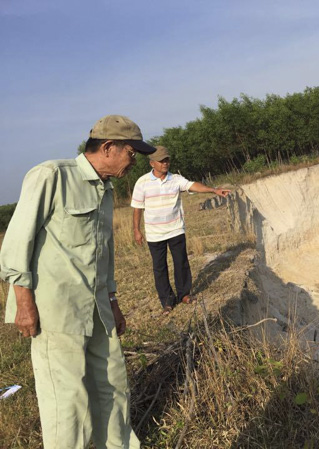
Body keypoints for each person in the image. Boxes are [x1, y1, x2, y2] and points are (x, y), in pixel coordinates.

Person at [0, 115, 156, 449]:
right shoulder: (52, 176)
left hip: (98, 309)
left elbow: (106, 253)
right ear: (109, 147)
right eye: (132, 152)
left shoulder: (107, 190)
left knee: (112, 384)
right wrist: (24, 303)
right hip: (57, 311)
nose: (135, 161)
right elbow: (16, 242)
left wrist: (113, 302)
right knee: (66, 401)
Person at [131, 146, 230, 314]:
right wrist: (136, 230)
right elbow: (137, 208)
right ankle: (167, 301)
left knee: (181, 262)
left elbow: (192, 186)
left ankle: (184, 294)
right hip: (155, 234)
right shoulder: (142, 182)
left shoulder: (175, 179)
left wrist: (213, 190)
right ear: (152, 163)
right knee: (159, 267)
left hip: (175, 229)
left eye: (167, 160)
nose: (165, 163)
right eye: (161, 161)